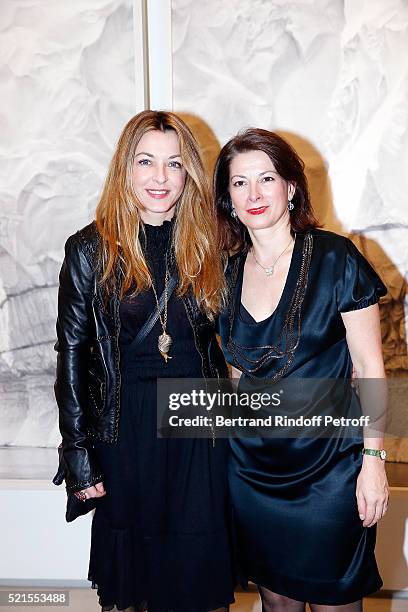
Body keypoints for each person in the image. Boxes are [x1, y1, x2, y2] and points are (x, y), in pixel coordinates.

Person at [53, 110, 235, 612]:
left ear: (188, 174)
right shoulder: (90, 249)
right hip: (124, 430)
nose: (160, 177)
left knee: (199, 585)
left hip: (198, 427)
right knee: (131, 589)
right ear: (125, 169)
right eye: (146, 161)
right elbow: (71, 355)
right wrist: (78, 453)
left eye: (173, 164)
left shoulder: (212, 244)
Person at [214, 128, 389, 612]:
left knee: (336, 602)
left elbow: (371, 367)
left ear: (291, 187)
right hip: (251, 472)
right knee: (278, 604)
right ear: (226, 197)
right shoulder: (223, 272)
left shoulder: (337, 259)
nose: (254, 194)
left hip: (330, 470)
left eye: (266, 178)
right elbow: (233, 376)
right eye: (240, 182)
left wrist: (372, 465)